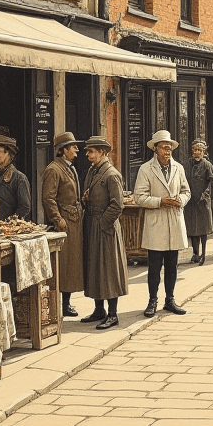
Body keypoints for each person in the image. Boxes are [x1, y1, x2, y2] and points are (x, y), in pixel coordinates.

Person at [133, 129, 191, 316]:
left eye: (169, 148)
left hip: (174, 220)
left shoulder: (178, 168)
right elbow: (139, 197)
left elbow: (186, 191)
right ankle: (152, 300)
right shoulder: (146, 169)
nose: (167, 152)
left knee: (172, 266)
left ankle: (170, 299)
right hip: (156, 222)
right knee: (154, 267)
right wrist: (159, 201)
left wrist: (180, 200)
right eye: (164, 148)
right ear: (155, 149)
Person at [79, 135, 128, 329]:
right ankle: (99, 309)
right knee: (94, 267)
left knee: (108, 268)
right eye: (88, 152)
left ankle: (113, 313)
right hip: (92, 223)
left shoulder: (111, 174)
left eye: (92, 151)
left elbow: (117, 205)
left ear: (102, 152)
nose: (89, 155)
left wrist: (104, 224)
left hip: (105, 227)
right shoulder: (93, 171)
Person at [39, 131, 83, 317]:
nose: (77, 150)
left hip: (74, 220)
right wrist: (58, 220)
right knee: (64, 265)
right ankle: (60, 305)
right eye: (73, 147)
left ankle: (66, 303)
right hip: (65, 222)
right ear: (63, 150)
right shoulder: (53, 170)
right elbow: (48, 198)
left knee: (71, 265)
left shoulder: (69, 167)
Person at [0, 133, 31, 220]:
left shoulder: (19, 178)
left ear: (8, 154)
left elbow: (24, 207)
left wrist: (10, 222)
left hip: (10, 229)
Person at [185, 139, 213, 266]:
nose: (197, 152)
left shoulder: (207, 165)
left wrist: (207, 196)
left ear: (203, 152)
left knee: (203, 229)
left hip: (202, 202)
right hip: (191, 202)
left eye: (199, 150)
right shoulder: (188, 163)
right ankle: (195, 253)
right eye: (195, 150)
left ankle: (203, 253)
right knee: (193, 229)